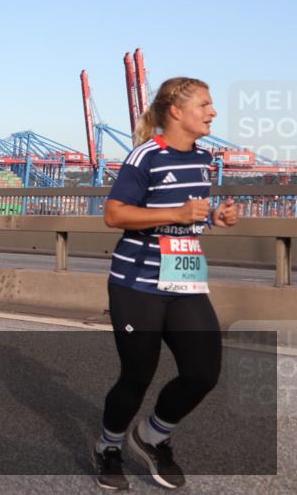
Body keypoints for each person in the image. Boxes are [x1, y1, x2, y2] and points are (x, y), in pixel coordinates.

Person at [92, 77, 238, 491]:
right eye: (205, 104)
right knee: (137, 376)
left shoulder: (203, 158)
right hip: (137, 284)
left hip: (185, 280)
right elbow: (115, 215)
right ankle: (108, 446)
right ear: (176, 111)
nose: (213, 112)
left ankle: (153, 435)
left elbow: (189, 216)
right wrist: (178, 213)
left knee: (203, 373)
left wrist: (214, 218)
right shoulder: (145, 156)